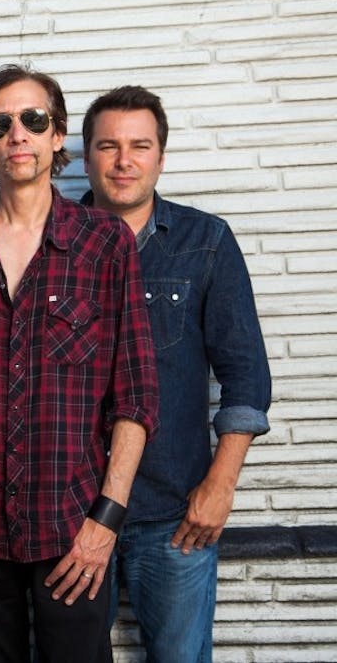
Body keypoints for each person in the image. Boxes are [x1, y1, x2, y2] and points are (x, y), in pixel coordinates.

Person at [0, 64, 160, 662]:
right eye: (0, 124)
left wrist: (105, 521)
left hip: (73, 526)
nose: (17, 135)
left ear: (57, 136)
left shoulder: (105, 242)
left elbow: (135, 396)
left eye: (33, 120)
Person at [80, 85, 271, 661]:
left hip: (174, 512)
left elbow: (246, 375)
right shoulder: (52, 244)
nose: (124, 161)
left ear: (161, 157)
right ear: (85, 157)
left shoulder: (205, 242)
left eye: (140, 146)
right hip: (70, 510)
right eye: (108, 146)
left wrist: (221, 486)